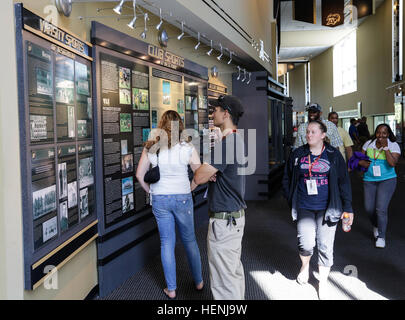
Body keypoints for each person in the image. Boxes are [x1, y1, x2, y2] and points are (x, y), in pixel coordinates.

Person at [282, 120, 354, 300]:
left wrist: (348, 208)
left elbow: (344, 182)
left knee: (325, 246)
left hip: (328, 208)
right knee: (305, 244)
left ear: (323, 135)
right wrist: (291, 199)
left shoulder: (333, 155)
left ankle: (323, 283)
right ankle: (305, 267)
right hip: (304, 206)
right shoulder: (298, 154)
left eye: (313, 132)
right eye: (307, 132)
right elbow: (287, 178)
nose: (309, 135)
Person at [136, 110, 203, 299]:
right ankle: (199, 282)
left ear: (161, 124)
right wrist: (190, 187)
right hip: (182, 196)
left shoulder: (152, 146)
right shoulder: (187, 146)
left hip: (160, 198)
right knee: (190, 240)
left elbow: (139, 175)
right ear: (180, 124)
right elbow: (199, 173)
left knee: (167, 242)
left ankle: (171, 289)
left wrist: (150, 191)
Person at [193, 95, 246, 300]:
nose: (212, 113)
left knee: (224, 281)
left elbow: (198, 176)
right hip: (232, 218)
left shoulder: (228, 143)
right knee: (232, 274)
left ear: (226, 114)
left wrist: (206, 168)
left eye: (215, 110)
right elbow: (210, 173)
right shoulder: (234, 139)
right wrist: (210, 170)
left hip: (225, 222)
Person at [357, 124, 400, 248]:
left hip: (387, 180)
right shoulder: (368, 144)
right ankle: (376, 225)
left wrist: (386, 149)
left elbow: (392, 163)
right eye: (378, 133)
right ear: (375, 133)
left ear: (388, 134)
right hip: (369, 179)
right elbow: (361, 160)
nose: (381, 135)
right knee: (368, 208)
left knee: (381, 209)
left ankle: (381, 236)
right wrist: (363, 162)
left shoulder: (393, 145)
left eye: (384, 133)